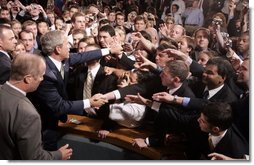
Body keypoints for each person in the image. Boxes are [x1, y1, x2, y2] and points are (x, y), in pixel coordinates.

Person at [28, 30, 122, 151]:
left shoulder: (61, 59)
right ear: (58, 49)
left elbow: (83, 56)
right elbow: (58, 106)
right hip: (43, 122)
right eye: (67, 43)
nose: (70, 46)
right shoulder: (45, 72)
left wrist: (109, 50)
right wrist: (90, 102)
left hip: (55, 118)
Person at [0, 53, 72, 160]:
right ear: (28, 78)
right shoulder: (28, 114)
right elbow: (34, 158)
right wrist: (59, 155)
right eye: (41, 75)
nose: (42, 79)